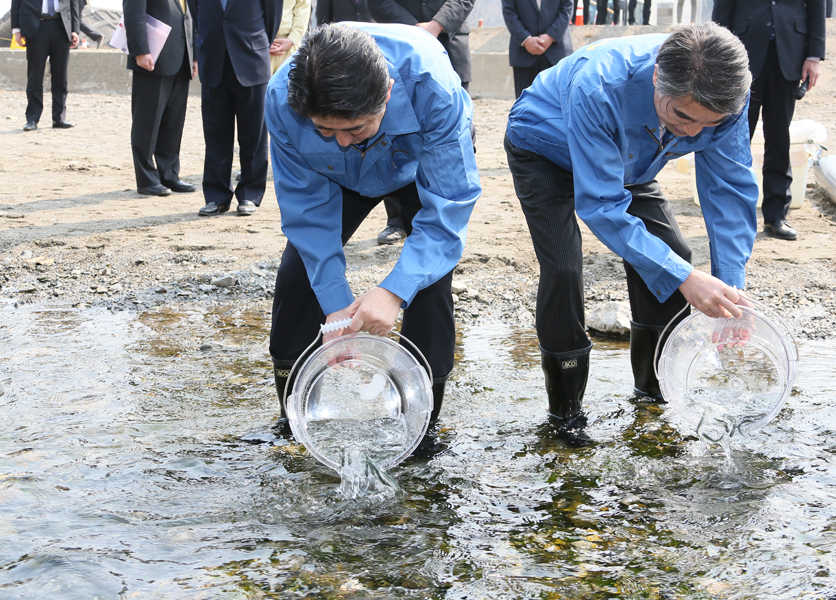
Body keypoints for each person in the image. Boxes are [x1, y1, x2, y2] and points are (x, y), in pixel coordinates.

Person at [504, 23, 758, 446]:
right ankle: (565, 416)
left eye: (708, 123)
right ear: (658, 78)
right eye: (683, 116)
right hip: (544, 148)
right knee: (565, 268)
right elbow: (601, 206)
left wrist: (730, 286)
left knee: (673, 252)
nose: (694, 133)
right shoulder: (599, 83)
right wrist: (685, 277)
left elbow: (730, 189)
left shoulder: (727, 92)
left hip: (631, 159)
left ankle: (652, 395)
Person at [264, 23, 480, 443]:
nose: (342, 141)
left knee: (430, 284)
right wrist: (336, 304)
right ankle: (293, 418)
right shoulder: (281, 98)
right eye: (327, 131)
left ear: (387, 94)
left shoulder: (432, 84)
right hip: (335, 178)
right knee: (296, 279)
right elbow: (306, 211)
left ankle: (423, 422)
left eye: (355, 129)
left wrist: (394, 291)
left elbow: (448, 209)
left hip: (419, 163)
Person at [714, 0, 826, 241]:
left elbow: (817, 6)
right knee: (737, 138)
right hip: (742, 52)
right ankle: (732, 215)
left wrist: (814, 55)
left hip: (789, 53)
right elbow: (723, 6)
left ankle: (776, 216)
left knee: (779, 138)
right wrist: (716, 52)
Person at [367, 0, 475, 245]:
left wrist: (436, 26)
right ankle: (397, 219)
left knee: (451, 135)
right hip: (399, 46)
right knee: (393, 132)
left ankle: (445, 219)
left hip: (450, 40)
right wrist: (413, 28)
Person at [193, 0, 283, 217]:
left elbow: (272, 16)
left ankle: (250, 194)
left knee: (254, 134)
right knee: (215, 133)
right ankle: (216, 196)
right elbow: (197, 13)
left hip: (250, 58)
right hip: (214, 60)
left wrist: (257, 43)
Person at [124, 0, 197, 197]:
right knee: (147, 121)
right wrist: (140, 50)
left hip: (181, 59)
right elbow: (133, 14)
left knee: (173, 122)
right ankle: (147, 179)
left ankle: (170, 174)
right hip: (152, 58)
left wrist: (194, 56)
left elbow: (190, 17)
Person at [11, 0, 80, 132]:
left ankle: (59, 118)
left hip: (61, 26)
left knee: (61, 76)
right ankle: (32, 118)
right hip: (35, 27)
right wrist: (16, 29)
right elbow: (16, 3)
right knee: (35, 76)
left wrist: (75, 30)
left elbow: (74, 4)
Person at [502, 0, 575, 98]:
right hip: (524, 55)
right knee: (525, 106)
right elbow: (509, 12)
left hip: (556, 54)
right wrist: (526, 39)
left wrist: (551, 36)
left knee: (558, 107)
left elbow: (567, 7)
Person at [269, 0, 310, 75]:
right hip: (261, 48)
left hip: (289, 47)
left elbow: (302, 7)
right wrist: (261, 42)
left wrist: (293, 39)